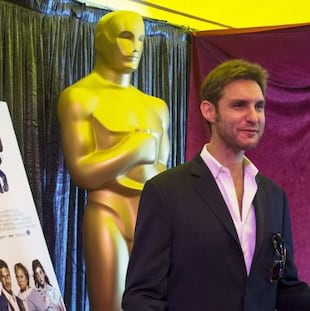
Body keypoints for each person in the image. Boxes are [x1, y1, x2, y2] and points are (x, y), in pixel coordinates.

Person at [122, 59, 310, 310]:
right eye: (239, 105)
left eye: (259, 106)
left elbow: (285, 289)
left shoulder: (273, 196)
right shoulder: (166, 192)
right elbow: (141, 297)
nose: (253, 117)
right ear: (209, 111)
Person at [57, 10, 169, 311]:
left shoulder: (156, 107)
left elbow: (163, 173)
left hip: (152, 217)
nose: (135, 47)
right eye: (125, 36)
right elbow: (81, 172)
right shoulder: (80, 97)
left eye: (141, 39)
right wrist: (132, 150)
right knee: (111, 306)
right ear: (102, 41)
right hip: (108, 212)